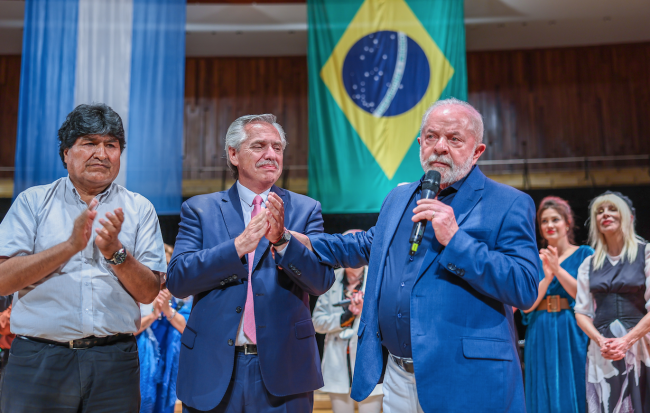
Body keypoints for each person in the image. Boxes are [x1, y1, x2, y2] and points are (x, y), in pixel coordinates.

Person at [290, 98, 539, 412]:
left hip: (467, 379)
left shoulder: (508, 203)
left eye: (454, 139)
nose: (440, 147)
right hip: (397, 377)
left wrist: (456, 241)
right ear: (420, 143)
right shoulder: (399, 196)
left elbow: (526, 287)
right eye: (432, 137)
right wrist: (292, 239)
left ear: (477, 151)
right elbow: (363, 245)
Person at [0, 103, 167, 412]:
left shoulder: (139, 208)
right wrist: (69, 247)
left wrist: (115, 253)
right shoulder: (33, 202)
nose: (101, 154)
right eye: (89, 143)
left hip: (114, 361)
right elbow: (3, 280)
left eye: (111, 145)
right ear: (66, 153)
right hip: (38, 359)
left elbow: (149, 291)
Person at [167, 114, 335, 412]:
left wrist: (283, 241)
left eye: (277, 147)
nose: (271, 154)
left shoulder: (306, 210)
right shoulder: (199, 210)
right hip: (213, 370)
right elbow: (178, 281)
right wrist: (236, 248)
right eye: (259, 146)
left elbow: (320, 282)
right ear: (233, 154)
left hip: (285, 370)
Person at [575, 191, 650, 412]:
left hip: (641, 345)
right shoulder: (588, 263)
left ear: (629, 216)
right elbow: (582, 312)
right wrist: (600, 341)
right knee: (607, 403)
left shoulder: (646, 253)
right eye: (599, 211)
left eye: (612, 209)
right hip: (604, 348)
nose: (605, 214)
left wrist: (627, 340)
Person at [520, 196, 592, 413]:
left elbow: (585, 295)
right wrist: (548, 276)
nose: (549, 225)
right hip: (539, 327)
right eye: (544, 221)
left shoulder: (584, 254)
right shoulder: (532, 258)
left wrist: (558, 270)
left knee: (573, 381)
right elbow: (526, 305)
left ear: (567, 223)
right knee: (541, 385)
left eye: (555, 219)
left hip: (571, 327)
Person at [312, 230, 382, 413]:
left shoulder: (378, 278)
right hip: (338, 364)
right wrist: (345, 317)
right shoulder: (331, 280)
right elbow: (317, 322)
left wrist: (364, 310)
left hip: (368, 363)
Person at [138, 244, 192, 413]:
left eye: (165, 271)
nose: (162, 278)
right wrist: (153, 315)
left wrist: (168, 311)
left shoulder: (181, 299)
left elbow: (188, 329)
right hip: (143, 364)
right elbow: (129, 329)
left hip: (168, 363)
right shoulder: (139, 297)